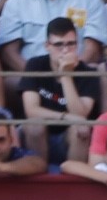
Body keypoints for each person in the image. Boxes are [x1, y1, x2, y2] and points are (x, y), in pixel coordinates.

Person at [20, 15, 101, 166]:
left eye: (71, 44)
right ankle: (38, 182)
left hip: (69, 137)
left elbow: (80, 114)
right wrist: (66, 117)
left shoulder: (87, 72)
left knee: (80, 128)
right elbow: (31, 110)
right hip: (39, 136)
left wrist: (65, 75)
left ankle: (74, 184)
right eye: (59, 45)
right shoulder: (35, 65)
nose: (65, 50)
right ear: (47, 46)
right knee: (34, 125)